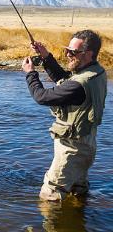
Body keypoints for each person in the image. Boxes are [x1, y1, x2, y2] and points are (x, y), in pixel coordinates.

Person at [22, 29, 107, 201]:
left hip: (71, 150)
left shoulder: (79, 84)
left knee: (50, 197)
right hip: (87, 144)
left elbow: (42, 97)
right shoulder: (97, 72)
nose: (67, 54)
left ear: (88, 54)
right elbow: (66, 79)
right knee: (78, 194)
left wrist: (30, 73)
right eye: (66, 49)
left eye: (73, 52)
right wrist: (46, 56)